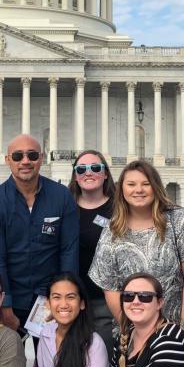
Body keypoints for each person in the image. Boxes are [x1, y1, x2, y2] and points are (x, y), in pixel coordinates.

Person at [0, 133, 79, 333]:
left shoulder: (61, 196)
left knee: (54, 362)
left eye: (32, 155)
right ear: (8, 160)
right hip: (12, 297)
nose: (25, 161)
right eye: (18, 156)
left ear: (41, 158)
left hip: (50, 298)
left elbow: (68, 251)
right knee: (8, 362)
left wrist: (63, 299)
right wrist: (5, 306)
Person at [89, 160, 184, 332]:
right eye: (131, 184)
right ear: (122, 189)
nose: (138, 190)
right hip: (133, 332)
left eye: (146, 184)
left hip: (177, 329)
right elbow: (110, 287)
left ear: (155, 187)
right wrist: (132, 330)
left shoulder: (180, 220)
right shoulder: (112, 230)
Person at [68, 150, 116, 349]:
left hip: (105, 301)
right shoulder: (65, 206)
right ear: (75, 175)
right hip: (71, 299)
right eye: (81, 169)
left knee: (105, 363)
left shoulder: (119, 208)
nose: (89, 173)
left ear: (105, 173)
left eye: (95, 168)